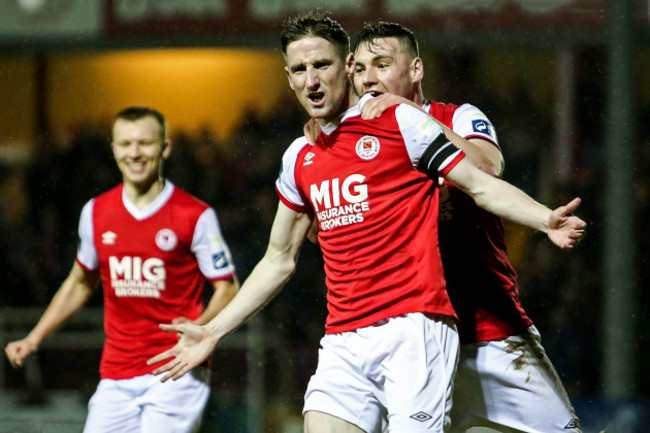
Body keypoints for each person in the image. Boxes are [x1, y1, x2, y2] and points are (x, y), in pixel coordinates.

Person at [146, 11, 585, 433]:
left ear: (348, 66)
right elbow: (278, 258)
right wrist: (213, 330)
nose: (312, 79)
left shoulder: (412, 122)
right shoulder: (301, 155)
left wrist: (544, 219)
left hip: (450, 327)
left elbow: (484, 179)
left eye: (322, 65)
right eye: (300, 69)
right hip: (346, 337)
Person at [351, 22, 581, 432]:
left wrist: (405, 115)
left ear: (416, 69)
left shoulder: (458, 116)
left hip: (491, 328)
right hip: (410, 339)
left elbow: (487, 167)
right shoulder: (356, 145)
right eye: (360, 67)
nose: (369, 77)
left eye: (382, 64)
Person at [4, 106, 239, 433]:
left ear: (165, 147)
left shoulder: (195, 215)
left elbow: (228, 288)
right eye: (126, 144)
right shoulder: (96, 212)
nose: (135, 153)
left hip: (176, 369)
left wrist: (200, 329)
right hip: (116, 372)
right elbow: (79, 282)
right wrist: (34, 338)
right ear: (113, 149)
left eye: (145, 143)